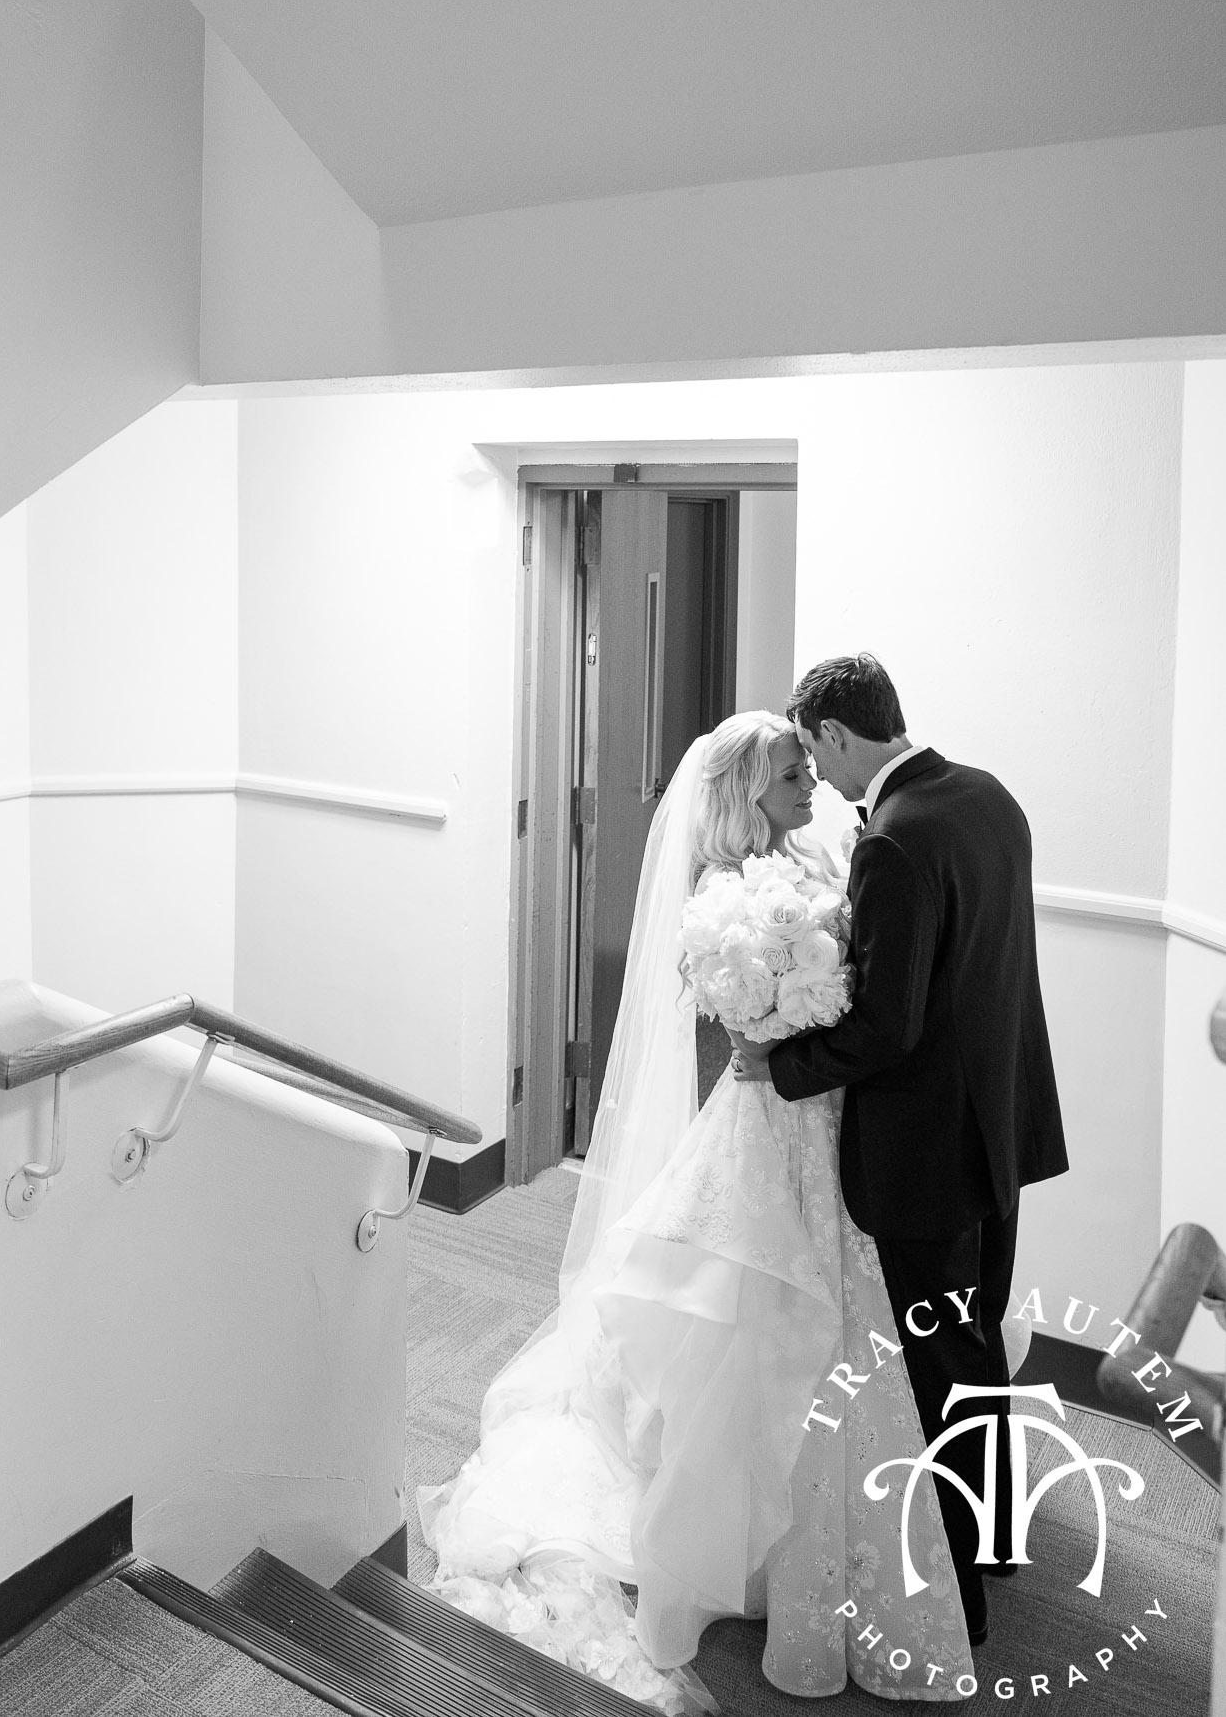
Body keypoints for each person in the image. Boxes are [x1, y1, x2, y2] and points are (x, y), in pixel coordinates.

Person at [420, 710, 977, 1708]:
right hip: (768, 1124)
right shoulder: (721, 897)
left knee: (837, 1318)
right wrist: (783, 1013)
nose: (810, 788)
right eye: (789, 778)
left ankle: (815, 1533)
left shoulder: (821, 849)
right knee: (745, 1320)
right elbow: (737, 1016)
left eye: (809, 770)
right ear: (742, 796)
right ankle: (725, 1540)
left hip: (829, 1120)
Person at [741, 653, 1068, 1649]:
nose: (822, 776)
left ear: (839, 734)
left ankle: (958, 1596)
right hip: (1003, 1129)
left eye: (816, 753)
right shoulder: (990, 799)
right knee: (977, 1345)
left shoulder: (894, 839)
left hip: (929, 1151)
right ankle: (998, 1538)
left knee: (939, 1362)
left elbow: (888, 1025)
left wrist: (779, 1061)